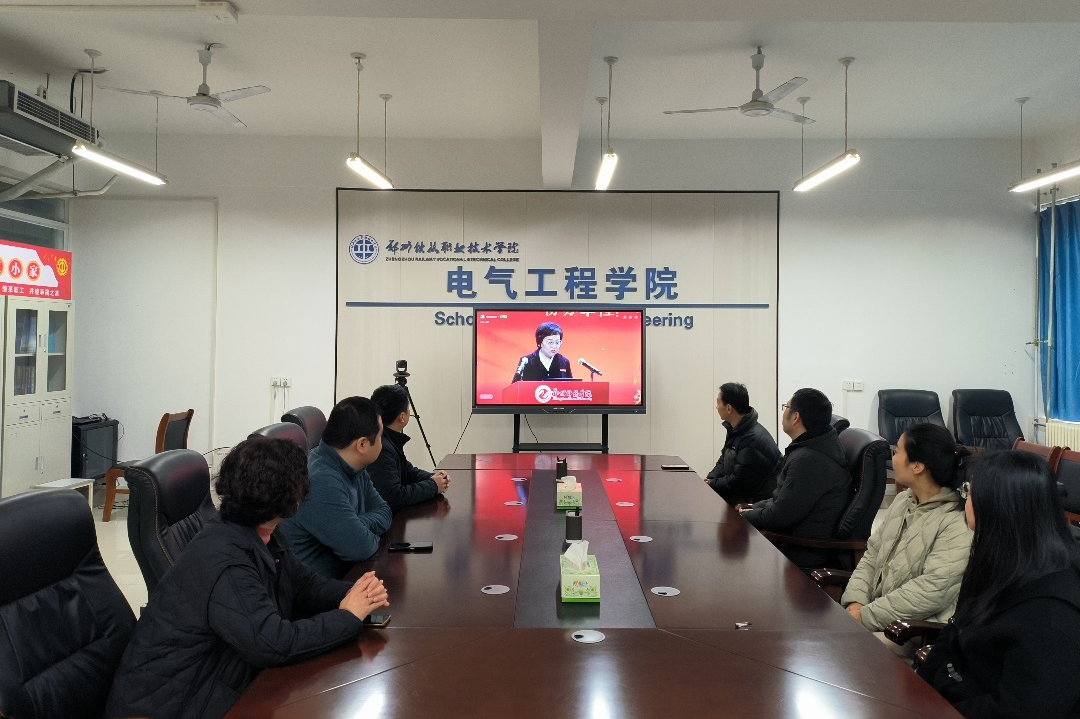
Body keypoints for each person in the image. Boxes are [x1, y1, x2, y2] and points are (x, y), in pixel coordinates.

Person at [104, 436, 390, 719]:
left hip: (216, 679)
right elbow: (273, 643)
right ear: (293, 498)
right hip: (173, 705)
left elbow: (303, 584)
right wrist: (347, 617)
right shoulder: (227, 561)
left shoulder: (260, 529)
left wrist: (356, 593)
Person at [918, 451, 1080, 719]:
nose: (965, 500)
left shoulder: (1052, 616)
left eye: (970, 492)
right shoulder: (998, 563)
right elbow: (954, 631)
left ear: (998, 507)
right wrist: (917, 694)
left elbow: (1020, 710)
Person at [841, 423, 973, 659]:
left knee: (838, 651)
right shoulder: (903, 500)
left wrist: (866, 616)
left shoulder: (955, 520)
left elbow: (932, 590)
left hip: (911, 633)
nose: (892, 459)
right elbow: (872, 556)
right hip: (876, 617)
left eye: (897, 452)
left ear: (918, 466)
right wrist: (856, 603)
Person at [281, 396, 392, 578]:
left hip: (348, 575)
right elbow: (361, 547)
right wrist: (357, 530)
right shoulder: (320, 481)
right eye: (380, 436)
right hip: (318, 589)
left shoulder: (354, 466)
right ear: (362, 444)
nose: (382, 442)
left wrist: (357, 524)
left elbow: (384, 511)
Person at [739, 388, 851, 567]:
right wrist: (751, 509)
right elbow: (781, 500)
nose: (784, 412)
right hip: (790, 540)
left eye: (786, 407)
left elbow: (780, 516)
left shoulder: (809, 460)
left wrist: (743, 517)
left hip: (799, 553)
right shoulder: (811, 448)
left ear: (795, 417)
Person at [369, 383, 451, 512]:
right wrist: (433, 486)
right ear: (402, 417)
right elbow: (394, 497)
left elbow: (407, 471)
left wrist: (435, 478)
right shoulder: (381, 448)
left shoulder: (387, 439)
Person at [705, 382, 782, 504]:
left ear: (729, 408)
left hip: (757, 501)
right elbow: (724, 459)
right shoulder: (737, 429)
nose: (716, 407)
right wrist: (710, 478)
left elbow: (739, 481)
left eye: (718, 403)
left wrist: (712, 483)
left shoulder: (751, 438)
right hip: (743, 495)